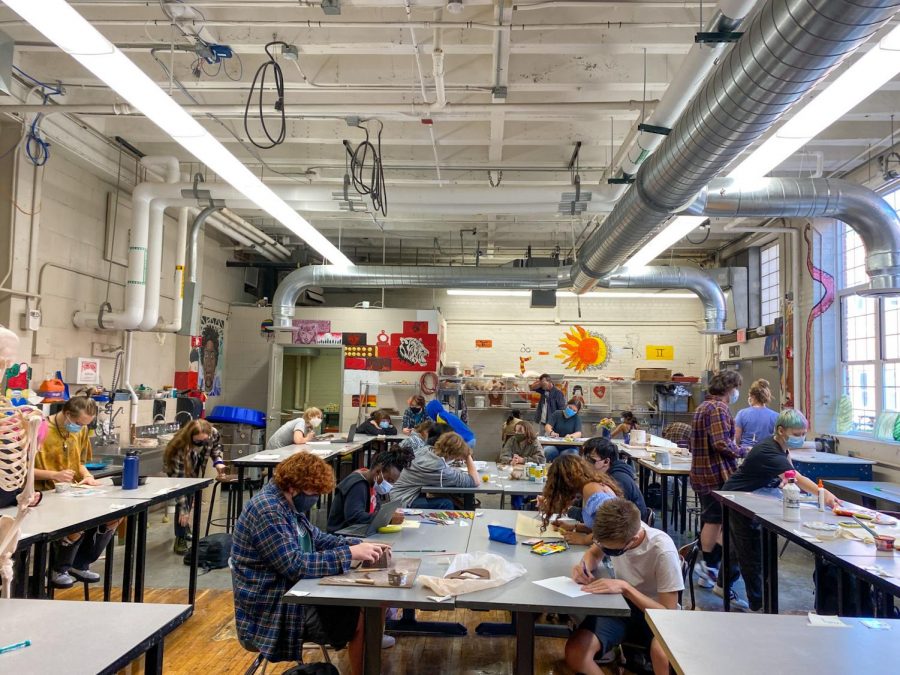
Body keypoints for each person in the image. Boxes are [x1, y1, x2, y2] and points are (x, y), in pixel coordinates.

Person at [231, 452, 391, 675]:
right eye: (313, 493)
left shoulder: (287, 504)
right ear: (294, 486)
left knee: (371, 603)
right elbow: (295, 564)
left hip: (293, 593)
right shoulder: (268, 511)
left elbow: (317, 538)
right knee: (361, 614)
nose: (315, 498)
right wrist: (348, 553)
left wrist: (360, 544)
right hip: (273, 610)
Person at [718, 409, 839, 612]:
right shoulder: (768, 450)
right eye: (797, 434)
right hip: (737, 498)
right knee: (751, 552)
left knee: (735, 547)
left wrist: (787, 482)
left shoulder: (781, 447)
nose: (801, 438)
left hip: (749, 496)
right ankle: (758, 605)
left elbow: (788, 473)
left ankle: (722, 584)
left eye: (803, 434)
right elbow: (796, 476)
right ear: (781, 430)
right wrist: (823, 493)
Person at [567, 498, 682, 675]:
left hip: (655, 615)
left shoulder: (662, 550)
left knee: (661, 655)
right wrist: (584, 567)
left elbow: (668, 612)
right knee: (576, 652)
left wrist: (626, 588)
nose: (609, 552)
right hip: (623, 608)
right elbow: (594, 552)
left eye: (614, 551)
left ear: (634, 539)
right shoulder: (617, 532)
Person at [34, 396, 123, 588]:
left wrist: (88, 476)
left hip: (72, 491)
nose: (80, 428)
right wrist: (54, 475)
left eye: (85, 425)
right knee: (76, 526)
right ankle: (59, 568)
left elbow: (80, 462)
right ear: (67, 415)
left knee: (113, 518)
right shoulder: (40, 430)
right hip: (44, 495)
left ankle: (81, 563)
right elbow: (22, 470)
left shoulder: (80, 431)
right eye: (78, 423)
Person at [689, 370, 744, 594]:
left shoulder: (703, 407)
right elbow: (721, 443)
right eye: (735, 388)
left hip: (702, 471)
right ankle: (709, 567)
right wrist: (743, 451)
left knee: (715, 519)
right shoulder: (718, 408)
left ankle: (709, 570)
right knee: (716, 520)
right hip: (716, 473)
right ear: (729, 389)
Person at [163, 419, 228, 554]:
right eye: (198, 442)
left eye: (204, 441)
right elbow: (179, 485)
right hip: (178, 467)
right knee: (183, 501)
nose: (201, 444)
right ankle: (180, 537)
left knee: (191, 494)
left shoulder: (213, 433)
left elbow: (215, 448)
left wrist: (218, 462)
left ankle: (185, 528)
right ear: (190, 438)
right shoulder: (178, 447)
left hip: (195, 462)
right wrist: (184, 510)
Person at [539, 454, 622, 546]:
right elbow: (598, 524)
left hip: (620, 548)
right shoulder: (589, 486)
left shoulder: (590, 489)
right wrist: (573, 527)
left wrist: (584, 540)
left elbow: (612, 526)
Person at [327, 447, 414, 533]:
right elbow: (354, 517)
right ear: (377, 471)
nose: (390, 485)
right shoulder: (358, 485)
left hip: (362, 531)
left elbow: (376, 509)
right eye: (389, 480)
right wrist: (388, 519)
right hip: (343, 536)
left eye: (393, 482)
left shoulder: (372, 482)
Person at [390, 432, 478, 509]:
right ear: (452, 455)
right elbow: (474, 481)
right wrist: (467, 455)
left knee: (444, 496)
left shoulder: (427, 450)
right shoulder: (438, 468)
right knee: (446, 504)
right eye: (457, 457)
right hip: (403, 501)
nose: (457, 460)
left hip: (398, 494)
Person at [581, 437, 648, 521]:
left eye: (590, 460)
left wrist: (572, 511)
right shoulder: (602, 474)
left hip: (631, 529)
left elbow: (608, 517)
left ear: (606, 462)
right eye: (584, 458)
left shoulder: (618, 480)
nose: (584, 464)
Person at [734, 379, 779, 450]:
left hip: (747, 455)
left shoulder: (742, 414)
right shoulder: (776, 416)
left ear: (753, 396)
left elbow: (736, 440)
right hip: (767, 454)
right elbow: (778, 441)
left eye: (749, 396)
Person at [543, 397, 584, 462]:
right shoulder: (557, 414)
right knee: (548, 452)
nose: (571, 411)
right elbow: (548, 426)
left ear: (577, 412)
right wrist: (551, 432)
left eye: (574, 410)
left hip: (570, 447)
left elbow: (578, 433)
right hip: (554, 445)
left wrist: (571, 436)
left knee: (571, 456)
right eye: (570, 408)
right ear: (566, 405)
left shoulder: (576, 418)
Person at [200, 322, 222, 396]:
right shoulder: (197, 387)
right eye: (206, 355)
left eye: (212, 356)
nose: (209, 363)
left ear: (216, 363)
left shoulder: (218, 390)